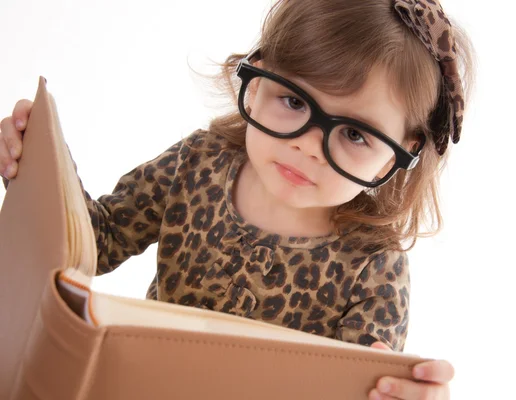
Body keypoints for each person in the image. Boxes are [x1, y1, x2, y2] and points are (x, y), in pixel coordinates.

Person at [0, 0, 475, 398]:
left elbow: (358, 383)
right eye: (293, 101)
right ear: (261, 75)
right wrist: (41, 160)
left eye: (353, 133)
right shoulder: (198, 163)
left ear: (403, 152)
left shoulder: (374, 266)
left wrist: (398, 390)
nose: (306, 145)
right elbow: (96, 241)